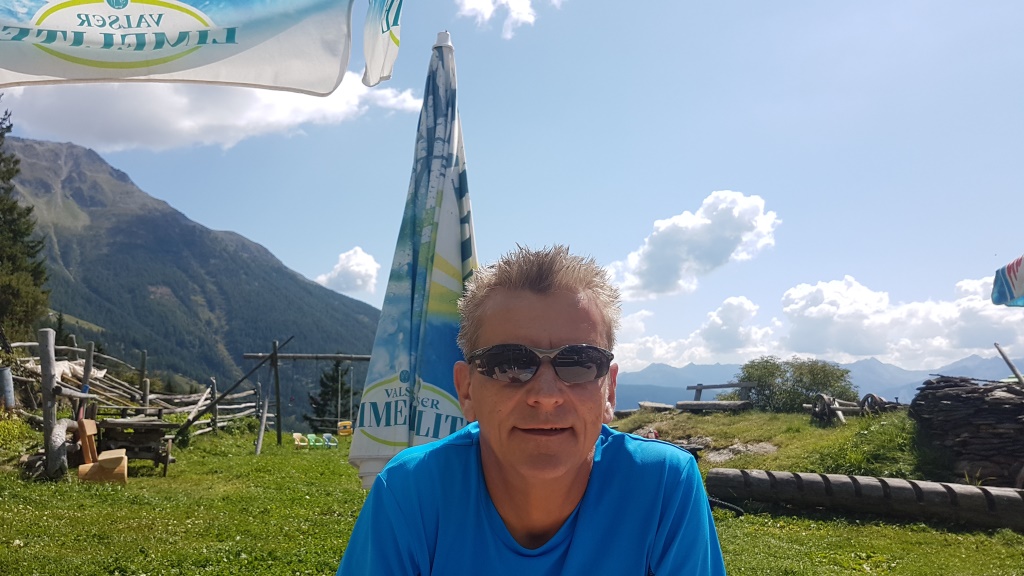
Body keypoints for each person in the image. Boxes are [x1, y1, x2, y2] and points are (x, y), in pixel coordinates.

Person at [337, 245, 726, 575]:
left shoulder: (663, 485)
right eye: (508, 363)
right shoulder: (410, 490)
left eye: (579, 362)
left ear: (609, 390)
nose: (546, 395)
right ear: (467, 390)